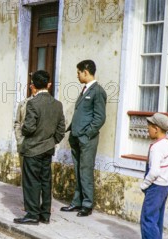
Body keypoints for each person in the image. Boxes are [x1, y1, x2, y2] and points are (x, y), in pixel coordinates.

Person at [13, 70, 65, 225]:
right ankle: (45, 214)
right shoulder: (57, 104)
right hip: (48, 149)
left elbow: (29, 128)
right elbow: (61, 129)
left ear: (34, 85)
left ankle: (32, 214)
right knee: (45, 181)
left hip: (32, 149)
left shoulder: (33, 103)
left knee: (31, 182)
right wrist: (51, 141)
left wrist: (23, 131)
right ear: (48, 84)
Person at [61, 59, 107, 217]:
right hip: (77, 138)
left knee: (85, 171)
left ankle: (87, 205)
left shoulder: (98, 91)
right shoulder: (85, 90)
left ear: (86, 72)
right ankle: (77, 202)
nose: (77, 76)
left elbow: (100, 118)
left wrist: (87, 134)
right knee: (78, 170)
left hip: (87, 139)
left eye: (79, 72)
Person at [136, 113, 168, 239]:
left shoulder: (157, 147)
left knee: (147, 216)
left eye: (149, 127)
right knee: (156, 217)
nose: (147, 129)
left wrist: (144, 184)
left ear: (156, 129)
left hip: (156, 185)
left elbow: (154, 171)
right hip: (165, 185)